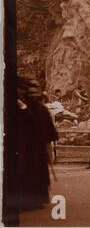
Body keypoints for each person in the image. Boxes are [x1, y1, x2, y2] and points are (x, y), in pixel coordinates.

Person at [17, 77, 58, 211]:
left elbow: (48, 132)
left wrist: (48, 148)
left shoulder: (41, 110)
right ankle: (31, 200)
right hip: (28, 147)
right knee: (31, 172)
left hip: (35, 147)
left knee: (35, 172)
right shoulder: (24, 109)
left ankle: (36, 200)